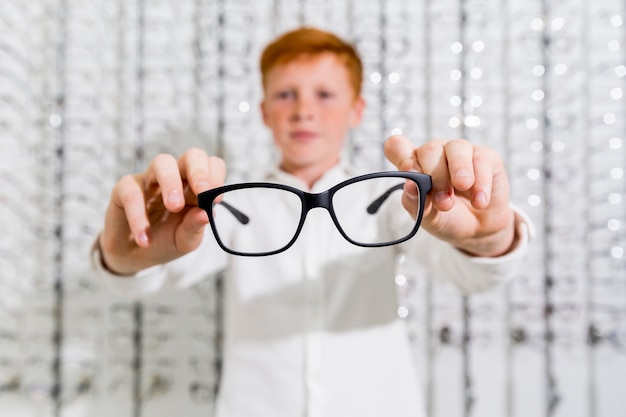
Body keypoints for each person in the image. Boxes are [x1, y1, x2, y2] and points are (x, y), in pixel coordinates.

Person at [93, 27, 532, 417]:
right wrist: (123, 256)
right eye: (286, 95)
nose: (303, 110)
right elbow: (157, 270)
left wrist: (490, 239)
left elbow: (471, 272)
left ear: (356, 110)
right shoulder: (230, 204)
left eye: (324, 94)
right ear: (265, 112)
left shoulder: (394, 197)